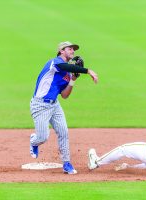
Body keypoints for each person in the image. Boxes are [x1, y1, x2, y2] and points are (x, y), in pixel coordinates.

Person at [30, 41, 98, 174]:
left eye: (74, 49)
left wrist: (73, 79)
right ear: (61, 51)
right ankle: (34, 141)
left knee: (64, 132)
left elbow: (65, 95)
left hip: (54, 104)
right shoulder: (54, 63)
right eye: (70, 49)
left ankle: (67, 163)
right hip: (40, 105)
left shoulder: (66, 74)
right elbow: (64, 66)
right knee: (43, 137)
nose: (73, 51)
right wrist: (88, 71)